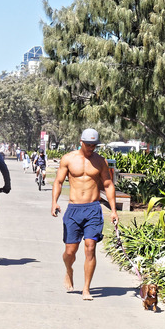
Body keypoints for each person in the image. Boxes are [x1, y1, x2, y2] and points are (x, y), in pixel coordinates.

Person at [51, 128, 118, 301]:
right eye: (88, 145)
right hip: (74, 209)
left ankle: (86, 288)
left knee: (90, 246)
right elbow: (58, 182)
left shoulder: (100, 161)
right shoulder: (68, 159)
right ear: (81, 141)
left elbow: (108, 184)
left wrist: (114, 210)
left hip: (93, 209)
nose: (91, 148)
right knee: (70, 252)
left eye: (94, 145)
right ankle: (69, 270)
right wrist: (54, 202)